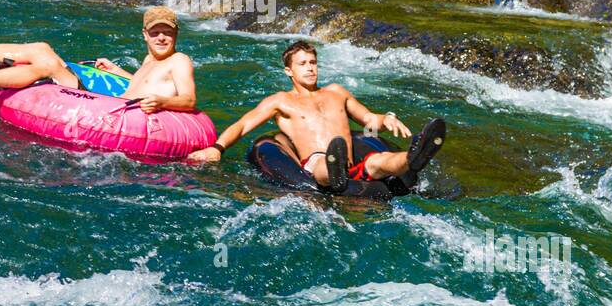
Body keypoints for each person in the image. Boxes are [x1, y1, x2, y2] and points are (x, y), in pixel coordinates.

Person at [188, 38, 445, 191]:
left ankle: (415, 157)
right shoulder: (281, 101)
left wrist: (387, 119)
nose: (310, 69)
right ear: (289, 71)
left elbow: (368, 120)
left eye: (313, 63)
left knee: (381, 161)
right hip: (316, 164)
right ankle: (335, 172)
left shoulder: (336, 92)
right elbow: (243, 126)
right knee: (324, 162)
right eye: (303, 64)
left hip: (350, 163)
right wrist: (217, 148)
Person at [0, 6, 197, 115]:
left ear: (176, 34)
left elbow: (188, 100)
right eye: (155, 32)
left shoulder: (179, 60)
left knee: (46, 63)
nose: (161, 37)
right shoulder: (150, 60)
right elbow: (143, 85)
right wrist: (119, 72)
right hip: (108, 105)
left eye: (168, 32)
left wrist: (163, 102)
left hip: (109, 114)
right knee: (41, 49)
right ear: (145, 34)